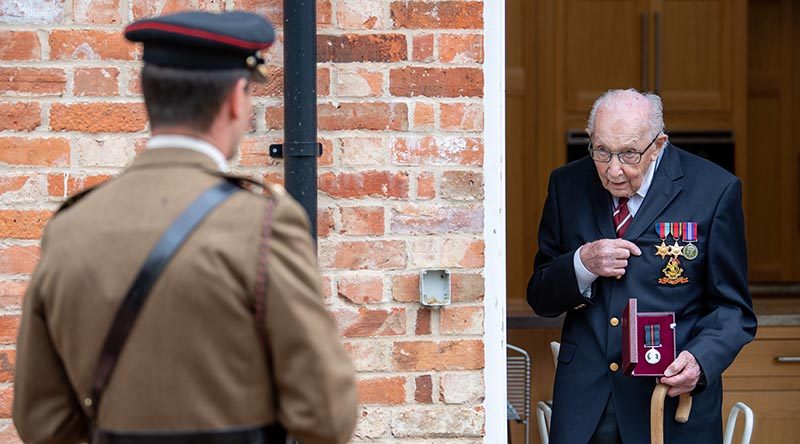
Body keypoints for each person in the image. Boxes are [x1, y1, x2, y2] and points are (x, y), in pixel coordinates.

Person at [13, 11, 358, 444]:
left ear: (148, 94)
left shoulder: (71, 226)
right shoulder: (263, 222)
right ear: (236, 98)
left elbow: (40, 420)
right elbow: (328, 414)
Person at [527, 89, 756, 444]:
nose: (613, 169)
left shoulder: (714, 190)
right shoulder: (566, 185)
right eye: (601, 151)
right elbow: (540, 296)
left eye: (629, 154)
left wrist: (700, 361)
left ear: (658, 145)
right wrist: (581, 264)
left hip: (670, 404)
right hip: (588, 405)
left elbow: (733, 310)